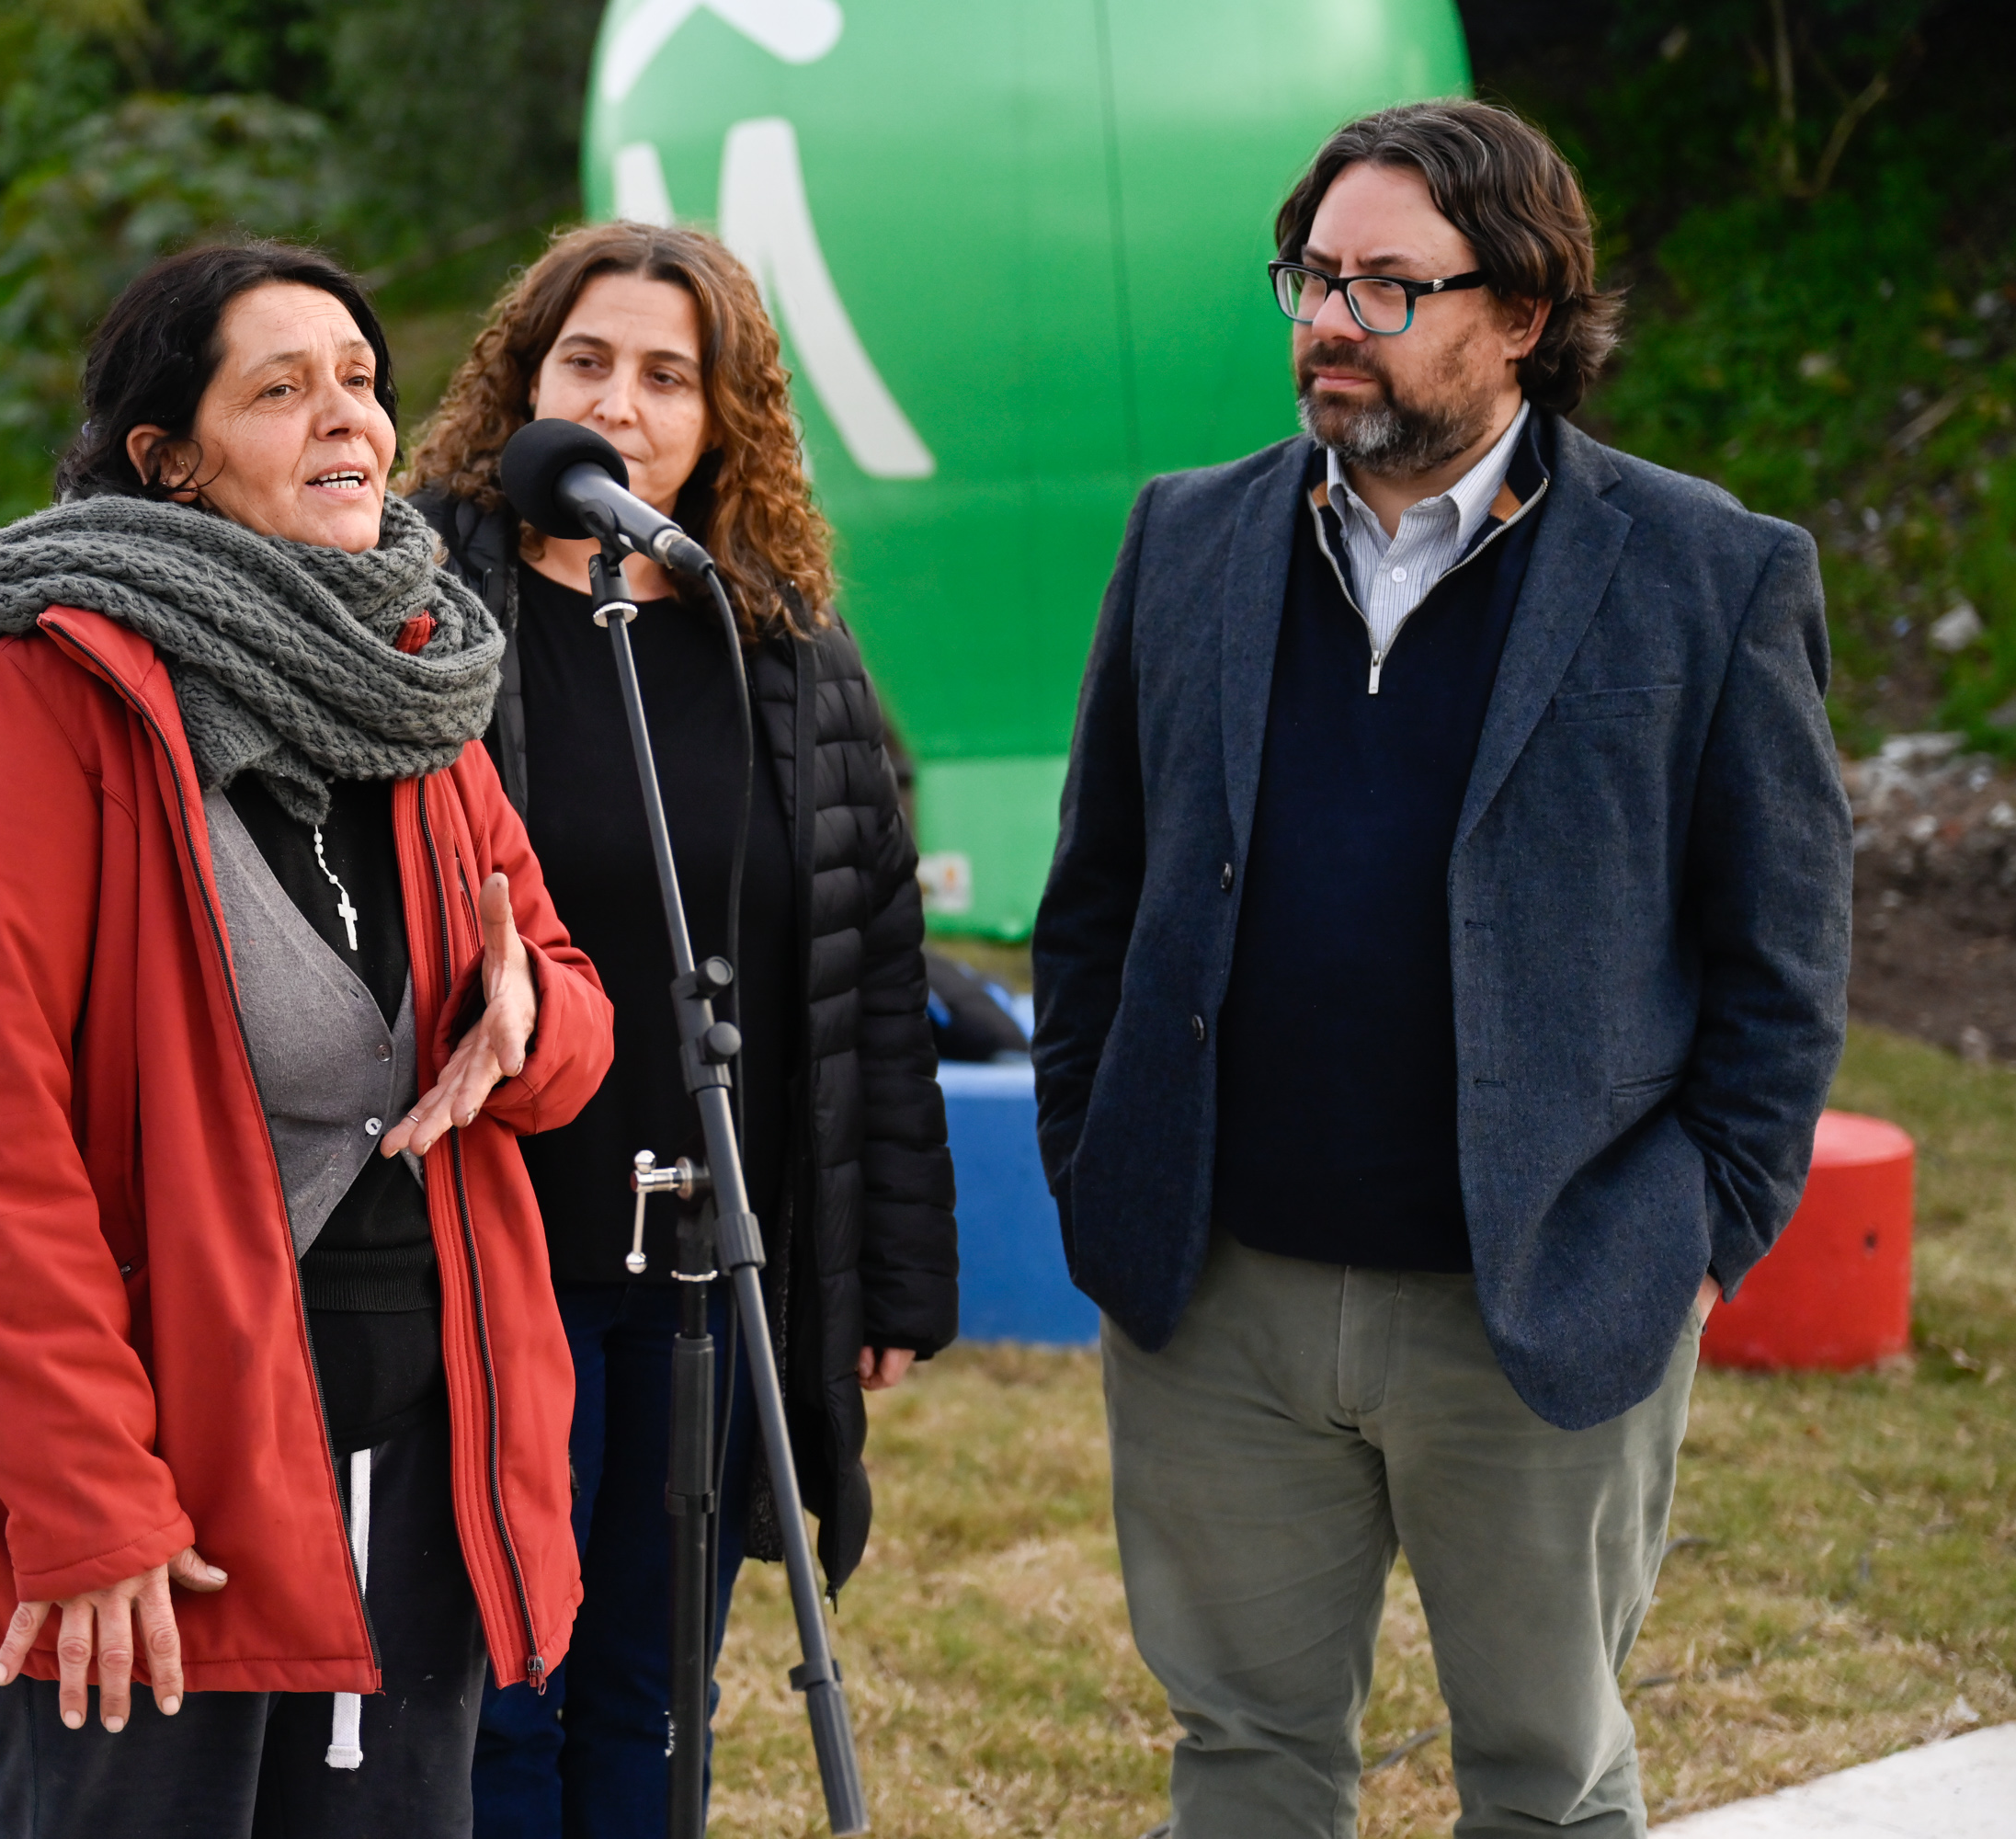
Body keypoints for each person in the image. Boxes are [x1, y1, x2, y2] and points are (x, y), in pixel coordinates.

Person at [1031, 100, 1848, 1837]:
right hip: (1218, 1295)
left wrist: (1697, 1245)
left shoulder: (1710, 575)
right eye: (1313, 277)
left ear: (1526, 316)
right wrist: (1096, 1157)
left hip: (1541, 1299)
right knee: (1244, 1759)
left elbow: (1782, 963)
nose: (1333, 320)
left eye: (1390, 287)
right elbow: (1097, 896)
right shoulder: (1187, 537)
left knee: (1545, 1783)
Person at [0, 241, 614, 1839]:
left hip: (415, 1451)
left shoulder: (412, 699)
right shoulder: (36, 704)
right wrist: (90, 1509)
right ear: (169, 458)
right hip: (162, 1472)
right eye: (281, 390)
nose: (348, 420)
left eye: (362, 380)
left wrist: (532, 1022)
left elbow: (561, 984)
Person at [405, 221, 958, 1837]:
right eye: (587, 363)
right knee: (503, 1689)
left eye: (668, 374)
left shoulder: (775, 642)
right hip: (497, 1247)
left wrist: (893, 1270)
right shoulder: (423, 614)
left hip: (713, 1267)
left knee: (653, 1693)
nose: (624, 404)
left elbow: (864, 966)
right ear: (523, 383)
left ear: (725, 418)